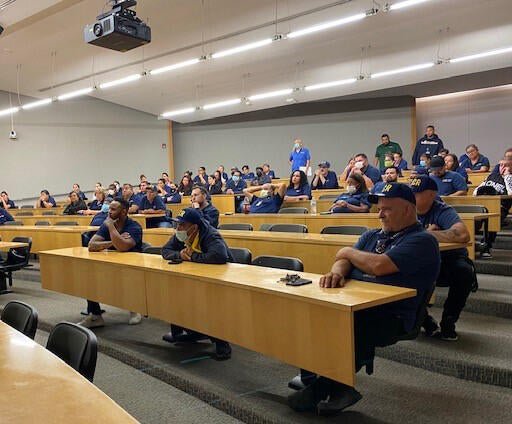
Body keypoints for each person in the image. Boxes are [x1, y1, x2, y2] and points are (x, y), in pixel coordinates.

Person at [288, 182, 440, 415]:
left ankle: (323, 388)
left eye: (387, 209)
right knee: (314, 312)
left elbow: (378, 266)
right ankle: (320, 380)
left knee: (348, 325)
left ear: (408, 210)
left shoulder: (422, 240)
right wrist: (338, 271)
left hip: (392, 314)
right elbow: (343, 260)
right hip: (354, 303)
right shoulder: (372, 235)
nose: (380, 214)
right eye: (379, 208)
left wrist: (348, 252)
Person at [161, 208, 233, 360]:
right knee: (177, 294)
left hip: (222, 277)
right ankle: (183, 332)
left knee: (212, 304)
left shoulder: (210, 234)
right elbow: (165, 250)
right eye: (176, 225)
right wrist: (179, 255)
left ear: (193, 227)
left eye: (182, 225)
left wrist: (192, 256)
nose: (178, 228)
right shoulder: (181, 234)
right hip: (196, 274)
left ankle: (222, 344)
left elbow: (219, 256)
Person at [410, 175, 473, 341]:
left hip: (448, 261)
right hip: (420, 260)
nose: (412, 197)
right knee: (399, 273)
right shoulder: (406, 210)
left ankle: (449, 321)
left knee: (465, 272)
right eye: (412, 193)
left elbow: (462, 234)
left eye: (417, 193)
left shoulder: (442, 210)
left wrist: (428, 234)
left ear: (431, 194)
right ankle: (424, 320)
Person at [78, 198, 143, 328]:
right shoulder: (107, 224)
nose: (109, 212)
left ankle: (135, 308)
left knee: (127, 279)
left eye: (113, 209)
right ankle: (96, 315)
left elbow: (123, 247)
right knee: (88, 275)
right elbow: (91, 245)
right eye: (110, 208)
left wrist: (112, 229)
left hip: (131, 266)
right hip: (111, 262)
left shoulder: (134, 226)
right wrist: (112, 242)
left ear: (124, 211)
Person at [473, 155, 512, 258]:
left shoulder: (510, 178)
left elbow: (510, 193)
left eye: (506, 165)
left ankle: (486, 247)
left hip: (500, 206)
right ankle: (473, 245)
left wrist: (507, 177)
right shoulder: (492, 176)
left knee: (492, 219)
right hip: (484, 204)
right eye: (501, 165)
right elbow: (476, 191)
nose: (502, 167)